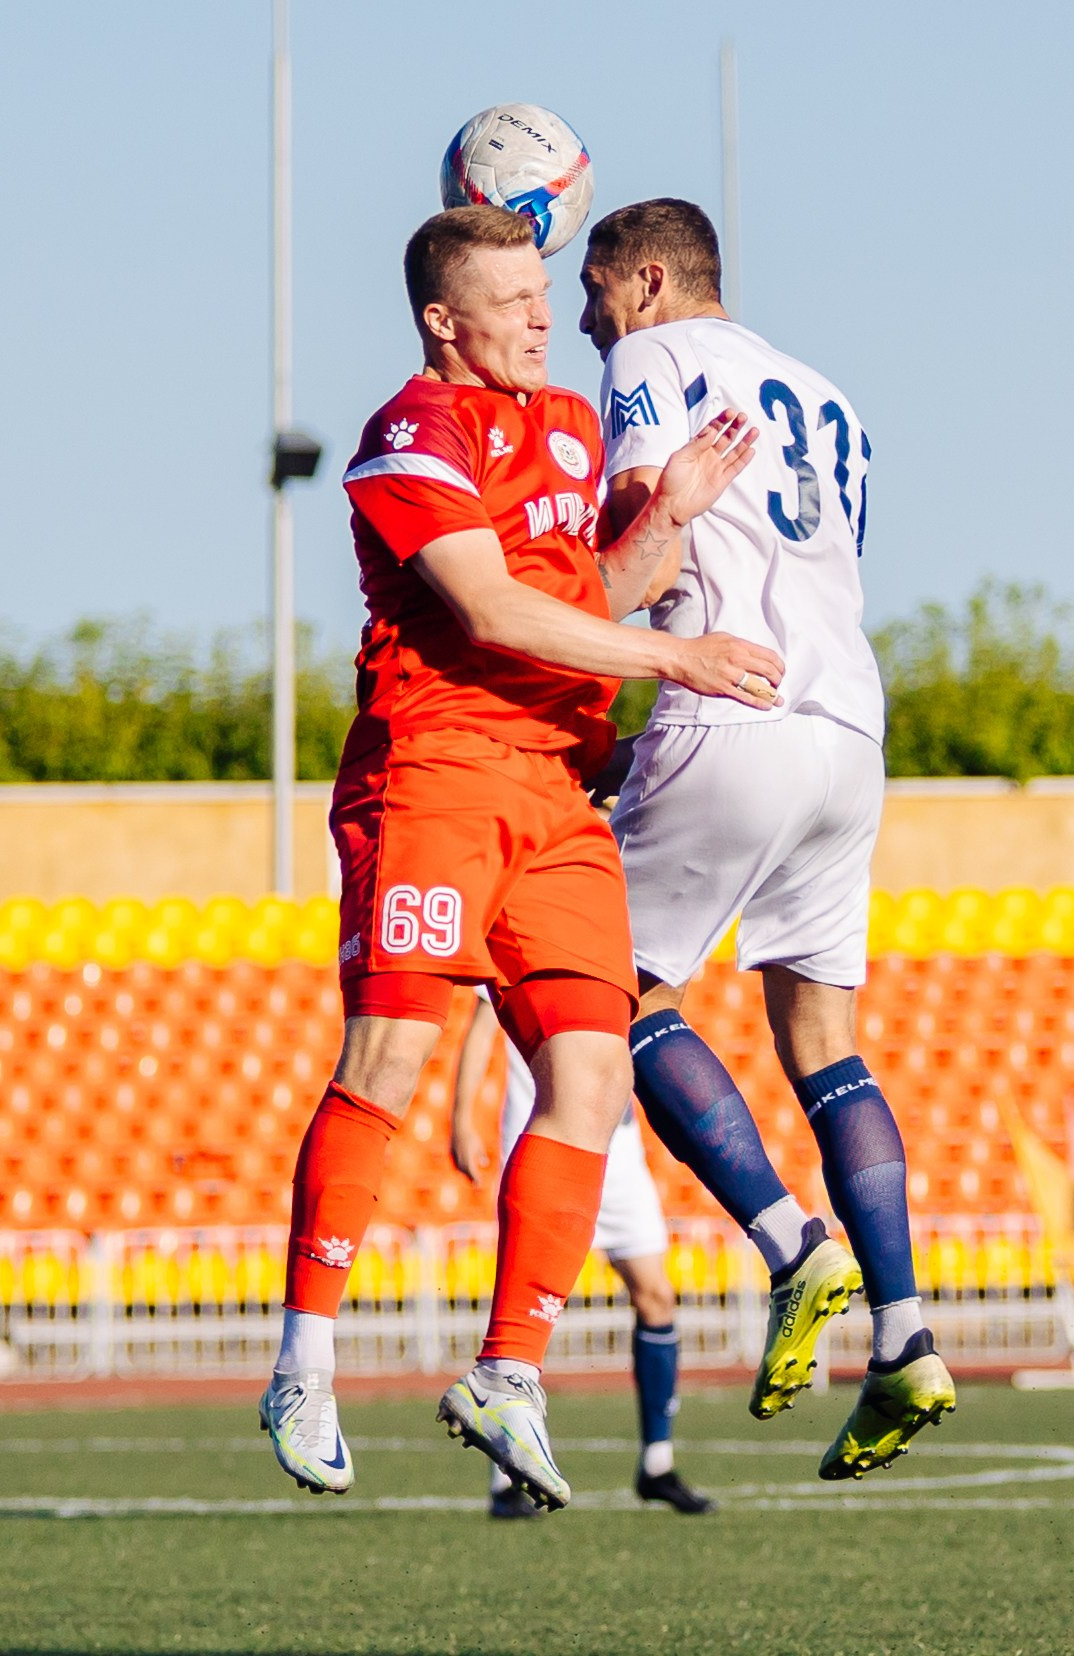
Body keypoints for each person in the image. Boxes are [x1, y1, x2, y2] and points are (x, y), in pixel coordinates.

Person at [260, 202, 784, 1511]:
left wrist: (664, 518)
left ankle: (508, 1372)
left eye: (550, 300)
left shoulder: (566, 423)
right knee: (387, 1061)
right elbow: (489, 607)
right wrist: (677, 656)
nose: (549, 320)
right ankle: (303, 1364)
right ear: (447, 320)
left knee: (594, 1079)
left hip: (557, 799)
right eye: (516, 304)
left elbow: (580, 599)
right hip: (435, 779)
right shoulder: (410, 434)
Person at [576, 199, 955, 1480]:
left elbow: (642, 522)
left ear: (648, 278)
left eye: (590, 291)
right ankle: (905, 1335)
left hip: (732, 693)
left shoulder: (652, 358)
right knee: (823, 1041)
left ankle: (792, 1246)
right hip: (851, 724)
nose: (582, 321)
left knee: (615, 991)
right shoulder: (831, 396)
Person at [449, 991, 711, 1516]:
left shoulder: (628, 932)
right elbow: (483, 1022)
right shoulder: (533, 918)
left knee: (656, 1296)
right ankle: (504, 1476)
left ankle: (656, 1463)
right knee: (528, 1302)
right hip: (545, 1135)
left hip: (618, 1141)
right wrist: (460, 1117)